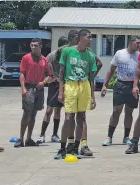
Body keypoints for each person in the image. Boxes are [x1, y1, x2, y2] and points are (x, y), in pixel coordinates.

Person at [54, 29, 97, 159]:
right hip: (70, 84)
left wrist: (93, 97)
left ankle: (75, 148)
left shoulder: (90, 55)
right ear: (80, 38)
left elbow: (91, 78)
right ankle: (62, 147)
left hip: (83, 85)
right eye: (89, 37)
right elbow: (61, 73)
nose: (91, 40)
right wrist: (61, 91)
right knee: (68, 118)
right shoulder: (68, 51)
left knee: (80, 117)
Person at [100, 36, 140, 146]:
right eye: (137, 43)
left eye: (139, 43)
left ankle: (126, 137)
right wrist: (105, 85)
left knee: (129, 112)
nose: (139, 45)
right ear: (131, 42)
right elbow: (111, 70)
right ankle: (109, 136)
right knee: (116, 111)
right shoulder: (120, 53)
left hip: (133, 85)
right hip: (121, 84)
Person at [14, 38, 52, 147]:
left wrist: (43, 82)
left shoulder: (44, 60)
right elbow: (22, 74)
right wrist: (23, 89)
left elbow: (49, 75)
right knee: (26, 113)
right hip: (29, 87)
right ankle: (21, 138)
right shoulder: (26, 58)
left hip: (39, 89)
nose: (33, 47)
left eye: (36, 45)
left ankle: (29, 138)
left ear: (40, 46)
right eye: (32, 45)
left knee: (34, 114)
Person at [36, 36, 69, 144]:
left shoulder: (68, 54)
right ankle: (42, 135)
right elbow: (44, 67)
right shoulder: (52, 55)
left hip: (64, 84)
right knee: (49, 110)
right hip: (54, 84)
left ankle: (55, 134)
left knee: (58, 110)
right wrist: (46, 80)